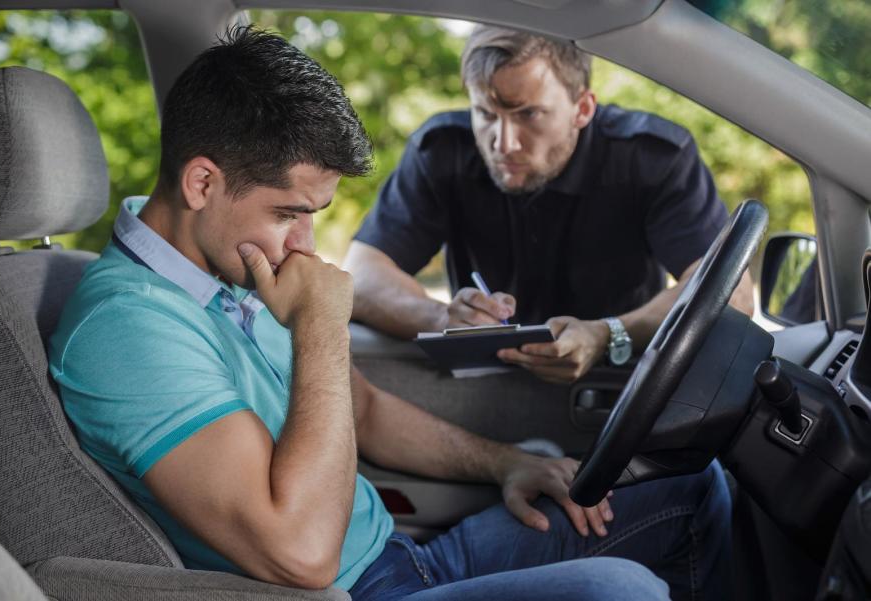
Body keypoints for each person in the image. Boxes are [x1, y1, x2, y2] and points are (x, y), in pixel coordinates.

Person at [48, 27, 731, 601]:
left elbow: (364, 411)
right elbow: (304, 554)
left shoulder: (219, 266)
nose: (305, 248)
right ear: (202, 182)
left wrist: (504, 462)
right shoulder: (126, 326)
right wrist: (319, 327)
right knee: (621, 591)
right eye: (289, 213)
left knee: (695, 493)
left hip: (404, 556)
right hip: (357, 588)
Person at [344, 25, 754, 385]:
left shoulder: (651, 159)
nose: (503, 143)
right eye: (485, 113)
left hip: (618, 389)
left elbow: (731, 295)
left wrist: (607, 334)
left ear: (583, 108)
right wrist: (443, 319)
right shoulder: (442, 151)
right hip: (486, 389)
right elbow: (361, 276)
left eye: (529, 114)